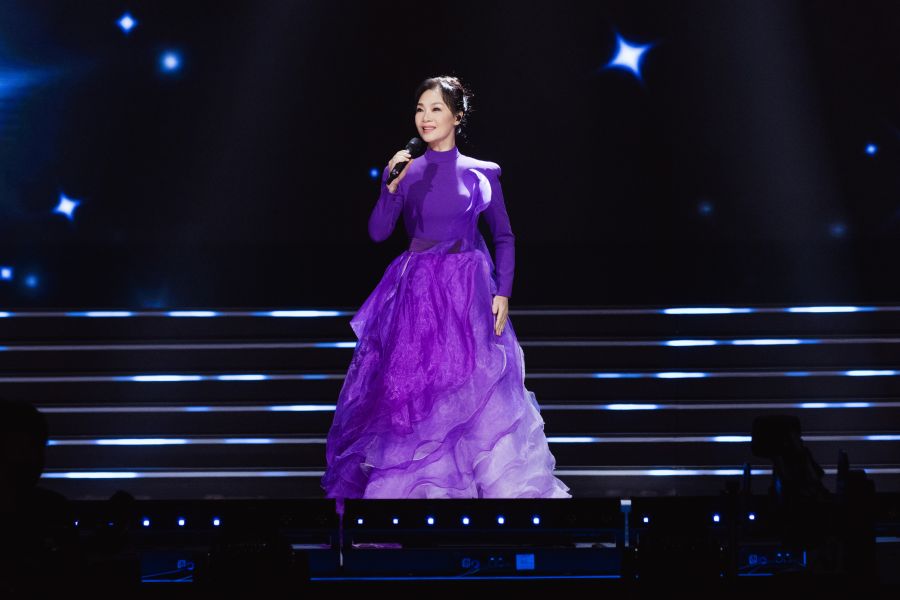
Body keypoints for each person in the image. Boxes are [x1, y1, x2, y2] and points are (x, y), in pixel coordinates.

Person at [321, 75, 570, 501]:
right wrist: (389, 187)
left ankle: (484, 489)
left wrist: (503, 292)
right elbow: (379, 232)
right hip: (417, 291)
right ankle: (420, 488)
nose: (425, 117)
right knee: (416, 388)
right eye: (420, 109)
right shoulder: (407, 171)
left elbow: (503, 236)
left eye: (435, 108)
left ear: (457, 116)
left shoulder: (482, 172)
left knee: (472, 384)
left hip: (467, 290)